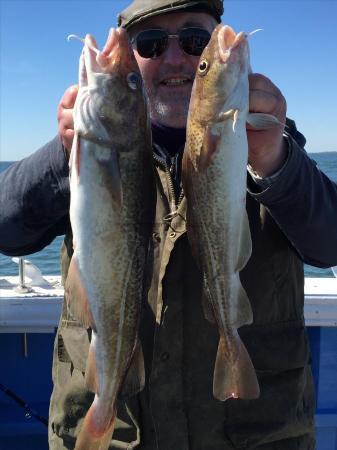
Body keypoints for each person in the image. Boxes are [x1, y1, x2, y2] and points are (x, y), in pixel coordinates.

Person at [1, 0, 337, 448]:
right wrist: (66, 156)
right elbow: (7, 230)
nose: (176, 59)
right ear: (136, 62)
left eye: (196, 41)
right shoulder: (82, 161)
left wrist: (280, 163)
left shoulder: (270, 150)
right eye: (152, 43)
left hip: (255, 436)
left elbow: (330, 245)